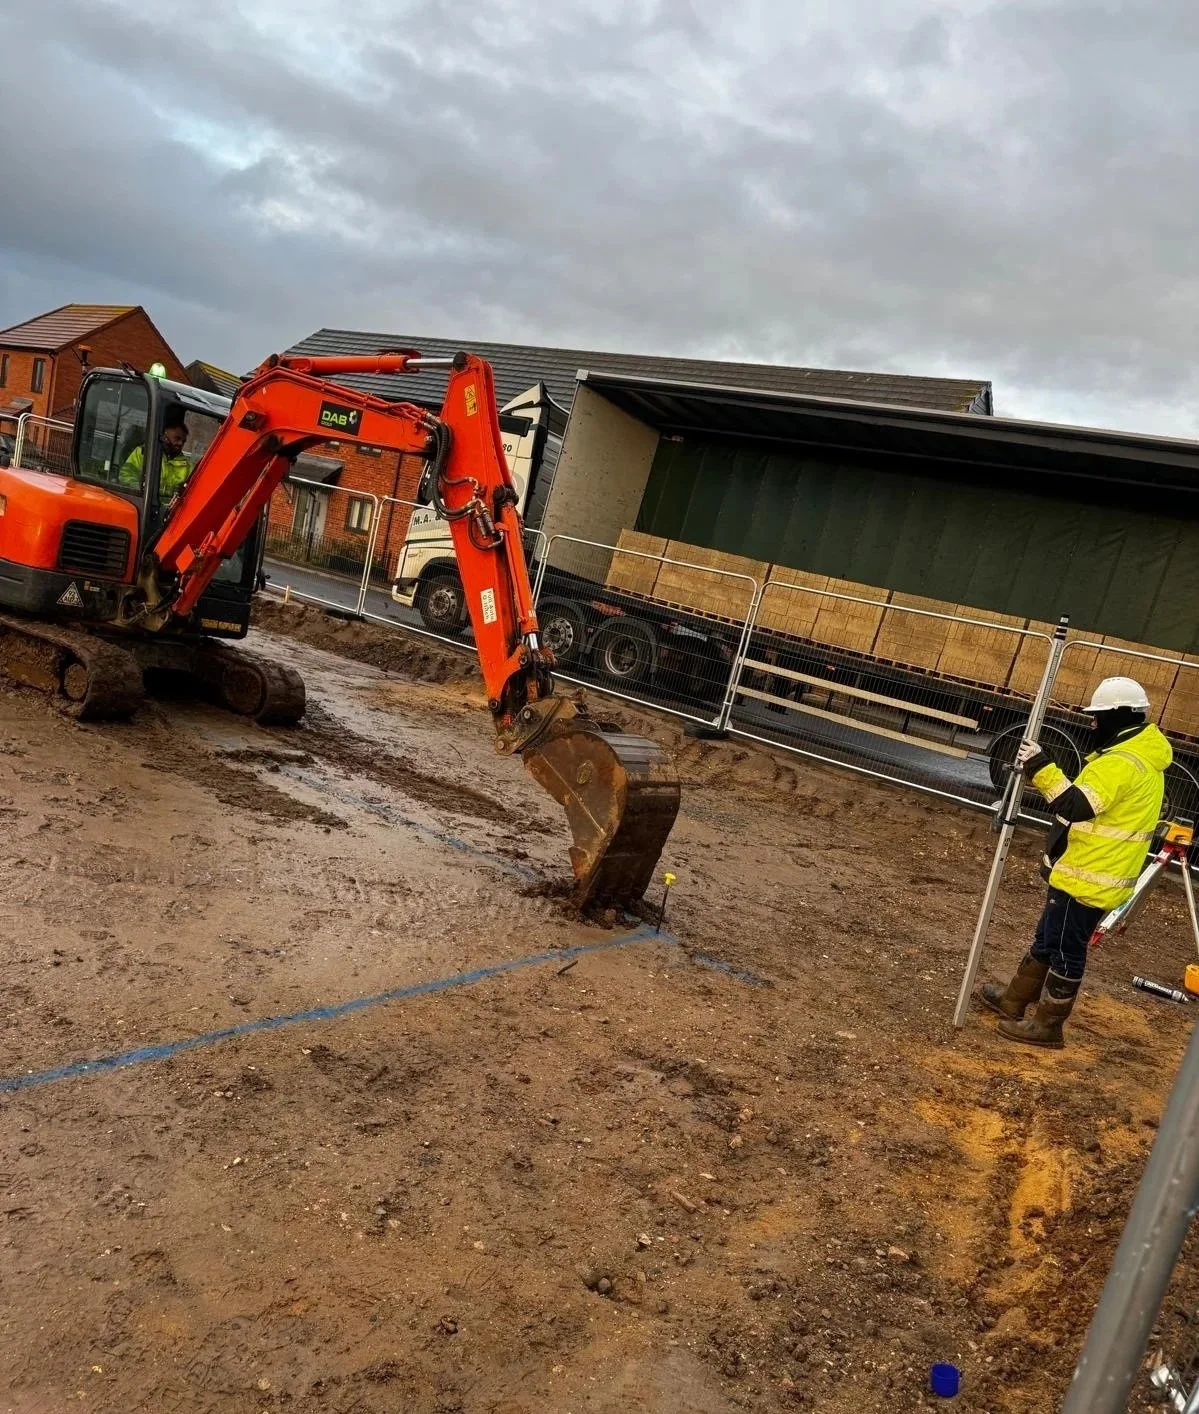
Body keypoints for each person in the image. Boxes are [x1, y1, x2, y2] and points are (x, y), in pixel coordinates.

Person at [980, 676, 1172, 1048]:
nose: (1093, 724)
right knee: (1049, 938)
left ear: (1118, 716)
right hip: (1085, 871)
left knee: (1067, 949)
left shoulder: (1121, 763)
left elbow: (1075, 806)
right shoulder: (1133, 757)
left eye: (1098, 717)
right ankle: (1014, 1001)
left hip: (1090, 878)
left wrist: (1041, 767)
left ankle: (1048, 1026)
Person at [119, 404, 191, 497]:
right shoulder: (143, 453)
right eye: (177, 438)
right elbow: (125, 474)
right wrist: (139, 488)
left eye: (183, 441)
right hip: (144, 502)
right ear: (165, 436)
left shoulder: (187, 467)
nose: (181, 443)